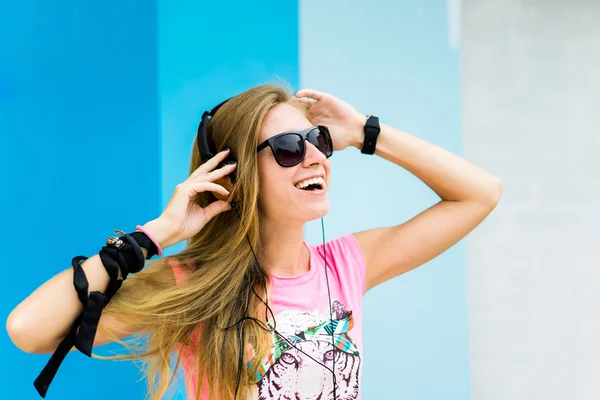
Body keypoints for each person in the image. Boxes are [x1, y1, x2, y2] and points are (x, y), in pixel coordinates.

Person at [6, 83, 503, 400]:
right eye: (288, 148)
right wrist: (154, 236)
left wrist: (365, 133)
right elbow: (28, 330)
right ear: (236, 178)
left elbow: (480, 195)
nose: (314, 157)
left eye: (320, 141)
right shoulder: (195, 289)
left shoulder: (347, 265)